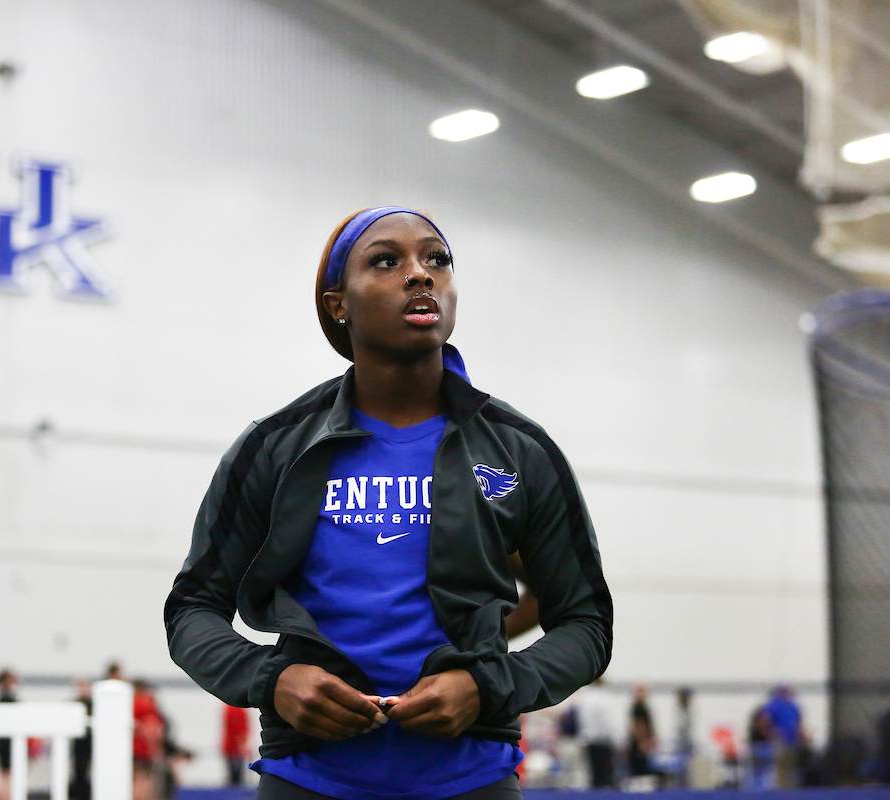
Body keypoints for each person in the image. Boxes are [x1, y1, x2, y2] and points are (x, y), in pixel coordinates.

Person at [165, 206, 613, 800]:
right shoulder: (276, 449)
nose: (420, 275)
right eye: (386, 261)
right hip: (308, 779)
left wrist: (490, 685)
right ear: (338, 304)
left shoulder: (519, 451)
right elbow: (192, 610)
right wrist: (272, 680)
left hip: (472, 779)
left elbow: (587, 624)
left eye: (437, 260)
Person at [0, 669, 18, 800]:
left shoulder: (7, 697)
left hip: (8, 741)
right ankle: (3, 796)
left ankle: (4, 795)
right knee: (5, 773)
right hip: (6, 742)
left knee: (7, 773)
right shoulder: (5, 699)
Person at [222, 704, 251, 786]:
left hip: (230, 747)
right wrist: (242, 746)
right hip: (235, 749)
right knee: (237, 779)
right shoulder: (237, 710)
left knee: (233, 777)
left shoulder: (229, 708)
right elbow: (238, 729)